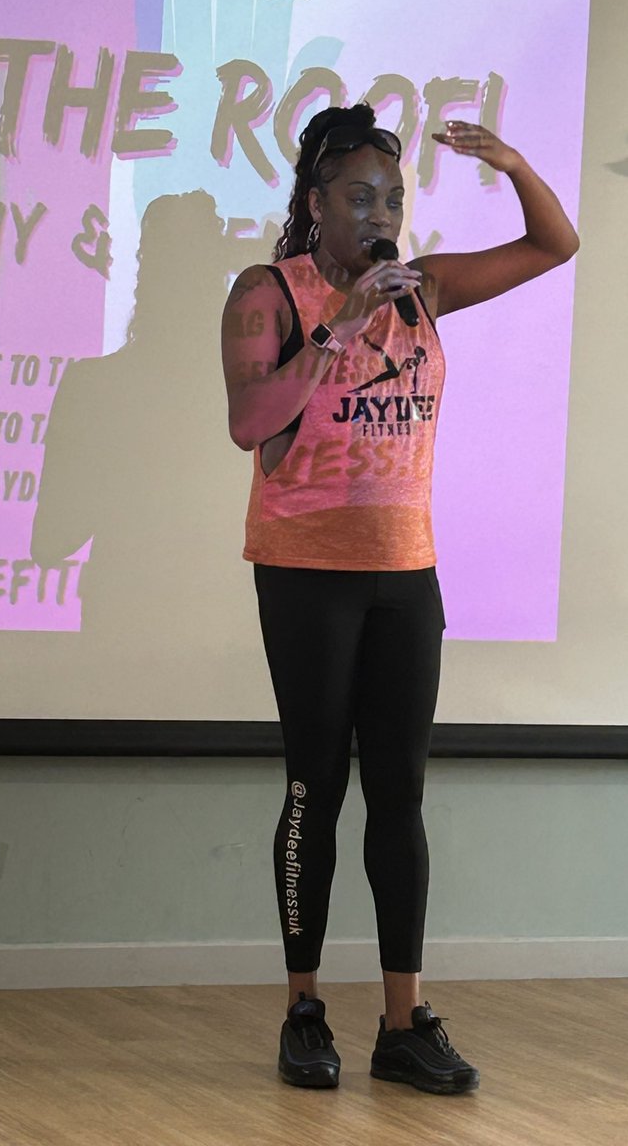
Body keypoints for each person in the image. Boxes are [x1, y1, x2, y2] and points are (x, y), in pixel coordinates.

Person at [220, 103, 579, 1095]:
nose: (382, 211)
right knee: (314, 788)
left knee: (400, 794)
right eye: (360, 196)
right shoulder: (270, 294)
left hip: (404, 574)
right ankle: (303, 1011)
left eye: (395, 194)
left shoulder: (423, 293)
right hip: (304, 574)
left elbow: (556, 243)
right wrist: (336, 325)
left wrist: (510, 161)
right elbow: (252, 421)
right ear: (316, 203)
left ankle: (402, 1020)